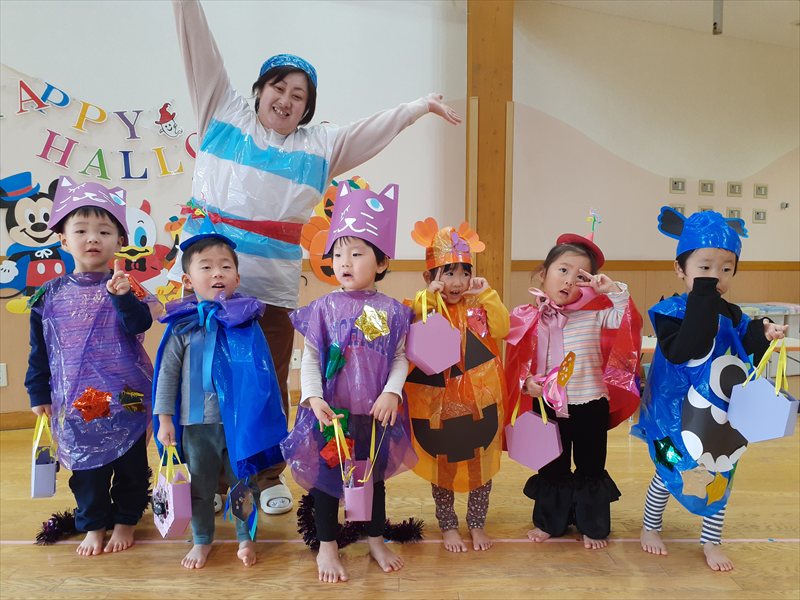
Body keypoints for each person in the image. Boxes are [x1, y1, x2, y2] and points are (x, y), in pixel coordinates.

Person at [168, 0, 461, 515]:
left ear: (307, 108)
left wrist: (417, 107)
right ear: (260, 90)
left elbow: (372, 128)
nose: (286, 99)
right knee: (203, 386)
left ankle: (264, 478)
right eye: (278, 87)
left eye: (298, 95)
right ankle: (208, 482)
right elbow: (200, 48)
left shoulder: (321, 145)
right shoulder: (221, 111)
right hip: (206, 284)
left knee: (266, 385)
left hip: (272, 289)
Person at [635, 207, 787, 571]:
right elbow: (684, 348)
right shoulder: (669, 310)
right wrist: (704, 297)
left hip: (718, 415)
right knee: (668, 471)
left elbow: (744, 347)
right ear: (680, 269)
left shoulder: (732, 313)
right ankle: (650, 526)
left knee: (722, 472)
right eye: (704, 268)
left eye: (726, 269)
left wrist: (763, 331)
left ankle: (711, 540)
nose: (715, 277)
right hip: (673, 413)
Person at [280, 181, 417, 583]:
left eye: (356, 253)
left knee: (373, 478)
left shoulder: (391, 311)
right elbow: (311, 358)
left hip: (375, 414)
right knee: (326, 482)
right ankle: (327, 545)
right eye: (338, 254)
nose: (345, 262)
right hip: (332, 415)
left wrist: (392, 391)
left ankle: (375, 538)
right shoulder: (322, 309)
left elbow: (399, 357)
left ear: (381, 262)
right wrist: (312, 398)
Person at [25, 176, 155, 556]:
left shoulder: (127, 286)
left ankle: (126, 519)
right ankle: (93, 525)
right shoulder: (48, 296)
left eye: (104, 231)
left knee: (132, 466)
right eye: (80, 230)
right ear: (63, 240)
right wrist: (38, 392)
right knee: (87, 473)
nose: (92, 238)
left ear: (119, 240)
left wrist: (122, 297)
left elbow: (140, 325)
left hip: (128, 396)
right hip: (79, 403)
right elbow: (40, 350)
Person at [153, 218, 287, 569]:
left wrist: (259, 416)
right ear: (187, 280)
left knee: (245, 482)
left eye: (226, 267)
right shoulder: (182, 326)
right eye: (206, 267)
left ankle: (246, 538)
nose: (217, 273)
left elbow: (262, 375)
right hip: (195, 425)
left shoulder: (246, 323)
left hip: (238, 424)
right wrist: (164, 419)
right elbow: (167, 375)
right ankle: (201, 540)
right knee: (200, 487)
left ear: (237, 278)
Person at [505, 228, 642, 549]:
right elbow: (518, 364)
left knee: (590, 465)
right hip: (547, 406)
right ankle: (550, 522)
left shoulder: (596, 317)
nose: (568, 281)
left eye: (580, 277)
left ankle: (591, 523)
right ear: (543, 274)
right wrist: (527, 383)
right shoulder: (527, 318)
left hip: (590, 404)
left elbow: (627, 320)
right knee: (552, 465)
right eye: (563, 270)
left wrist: (613, 290)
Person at [404, 219, 508, 552]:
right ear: (430, 277)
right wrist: (428, 297)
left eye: (464, 273)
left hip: (480, 404)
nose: (458, 282)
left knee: (481, 465)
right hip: (437, 407)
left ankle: (476, 524)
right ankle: (448, 525)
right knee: (443, 466)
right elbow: (411, 319)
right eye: (448, 273)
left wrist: (488, 294)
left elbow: (503, 329)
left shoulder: (478, 308)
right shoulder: (424, 306)